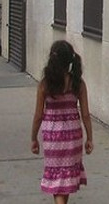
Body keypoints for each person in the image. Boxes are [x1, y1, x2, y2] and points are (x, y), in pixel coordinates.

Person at [31, 40, 93, 204]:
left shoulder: (45, 84)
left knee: (57, 179)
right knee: (64, 179)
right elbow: (86, 114)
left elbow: (38, 115)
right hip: (73, 136)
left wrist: (33, 138)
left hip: (52, 137)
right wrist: (90, 138)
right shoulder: (78, 83)